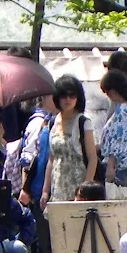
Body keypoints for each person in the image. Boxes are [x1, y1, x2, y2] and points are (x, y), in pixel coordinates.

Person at [41, 76, 100, 207]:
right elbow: (52, 159)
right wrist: (45, 190)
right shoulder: (53, 122)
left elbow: (92, 158)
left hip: (78, 186)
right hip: (57, 188)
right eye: (63, 95)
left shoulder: (83, 123)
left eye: (72, 95)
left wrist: (84, 191)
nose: (68, 99)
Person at [17, 93, 56, 253]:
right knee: (45, 241)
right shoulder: (39, 123)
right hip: (40, 187)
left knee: (52, 239)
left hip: (50, 185)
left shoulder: (53, 121)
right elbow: (28, 158)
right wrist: (26, 187)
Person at [99, 71, 127, 188]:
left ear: (113, 91)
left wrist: (110, 165)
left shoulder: (124, 110)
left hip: (119, 166)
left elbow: (118, 140)